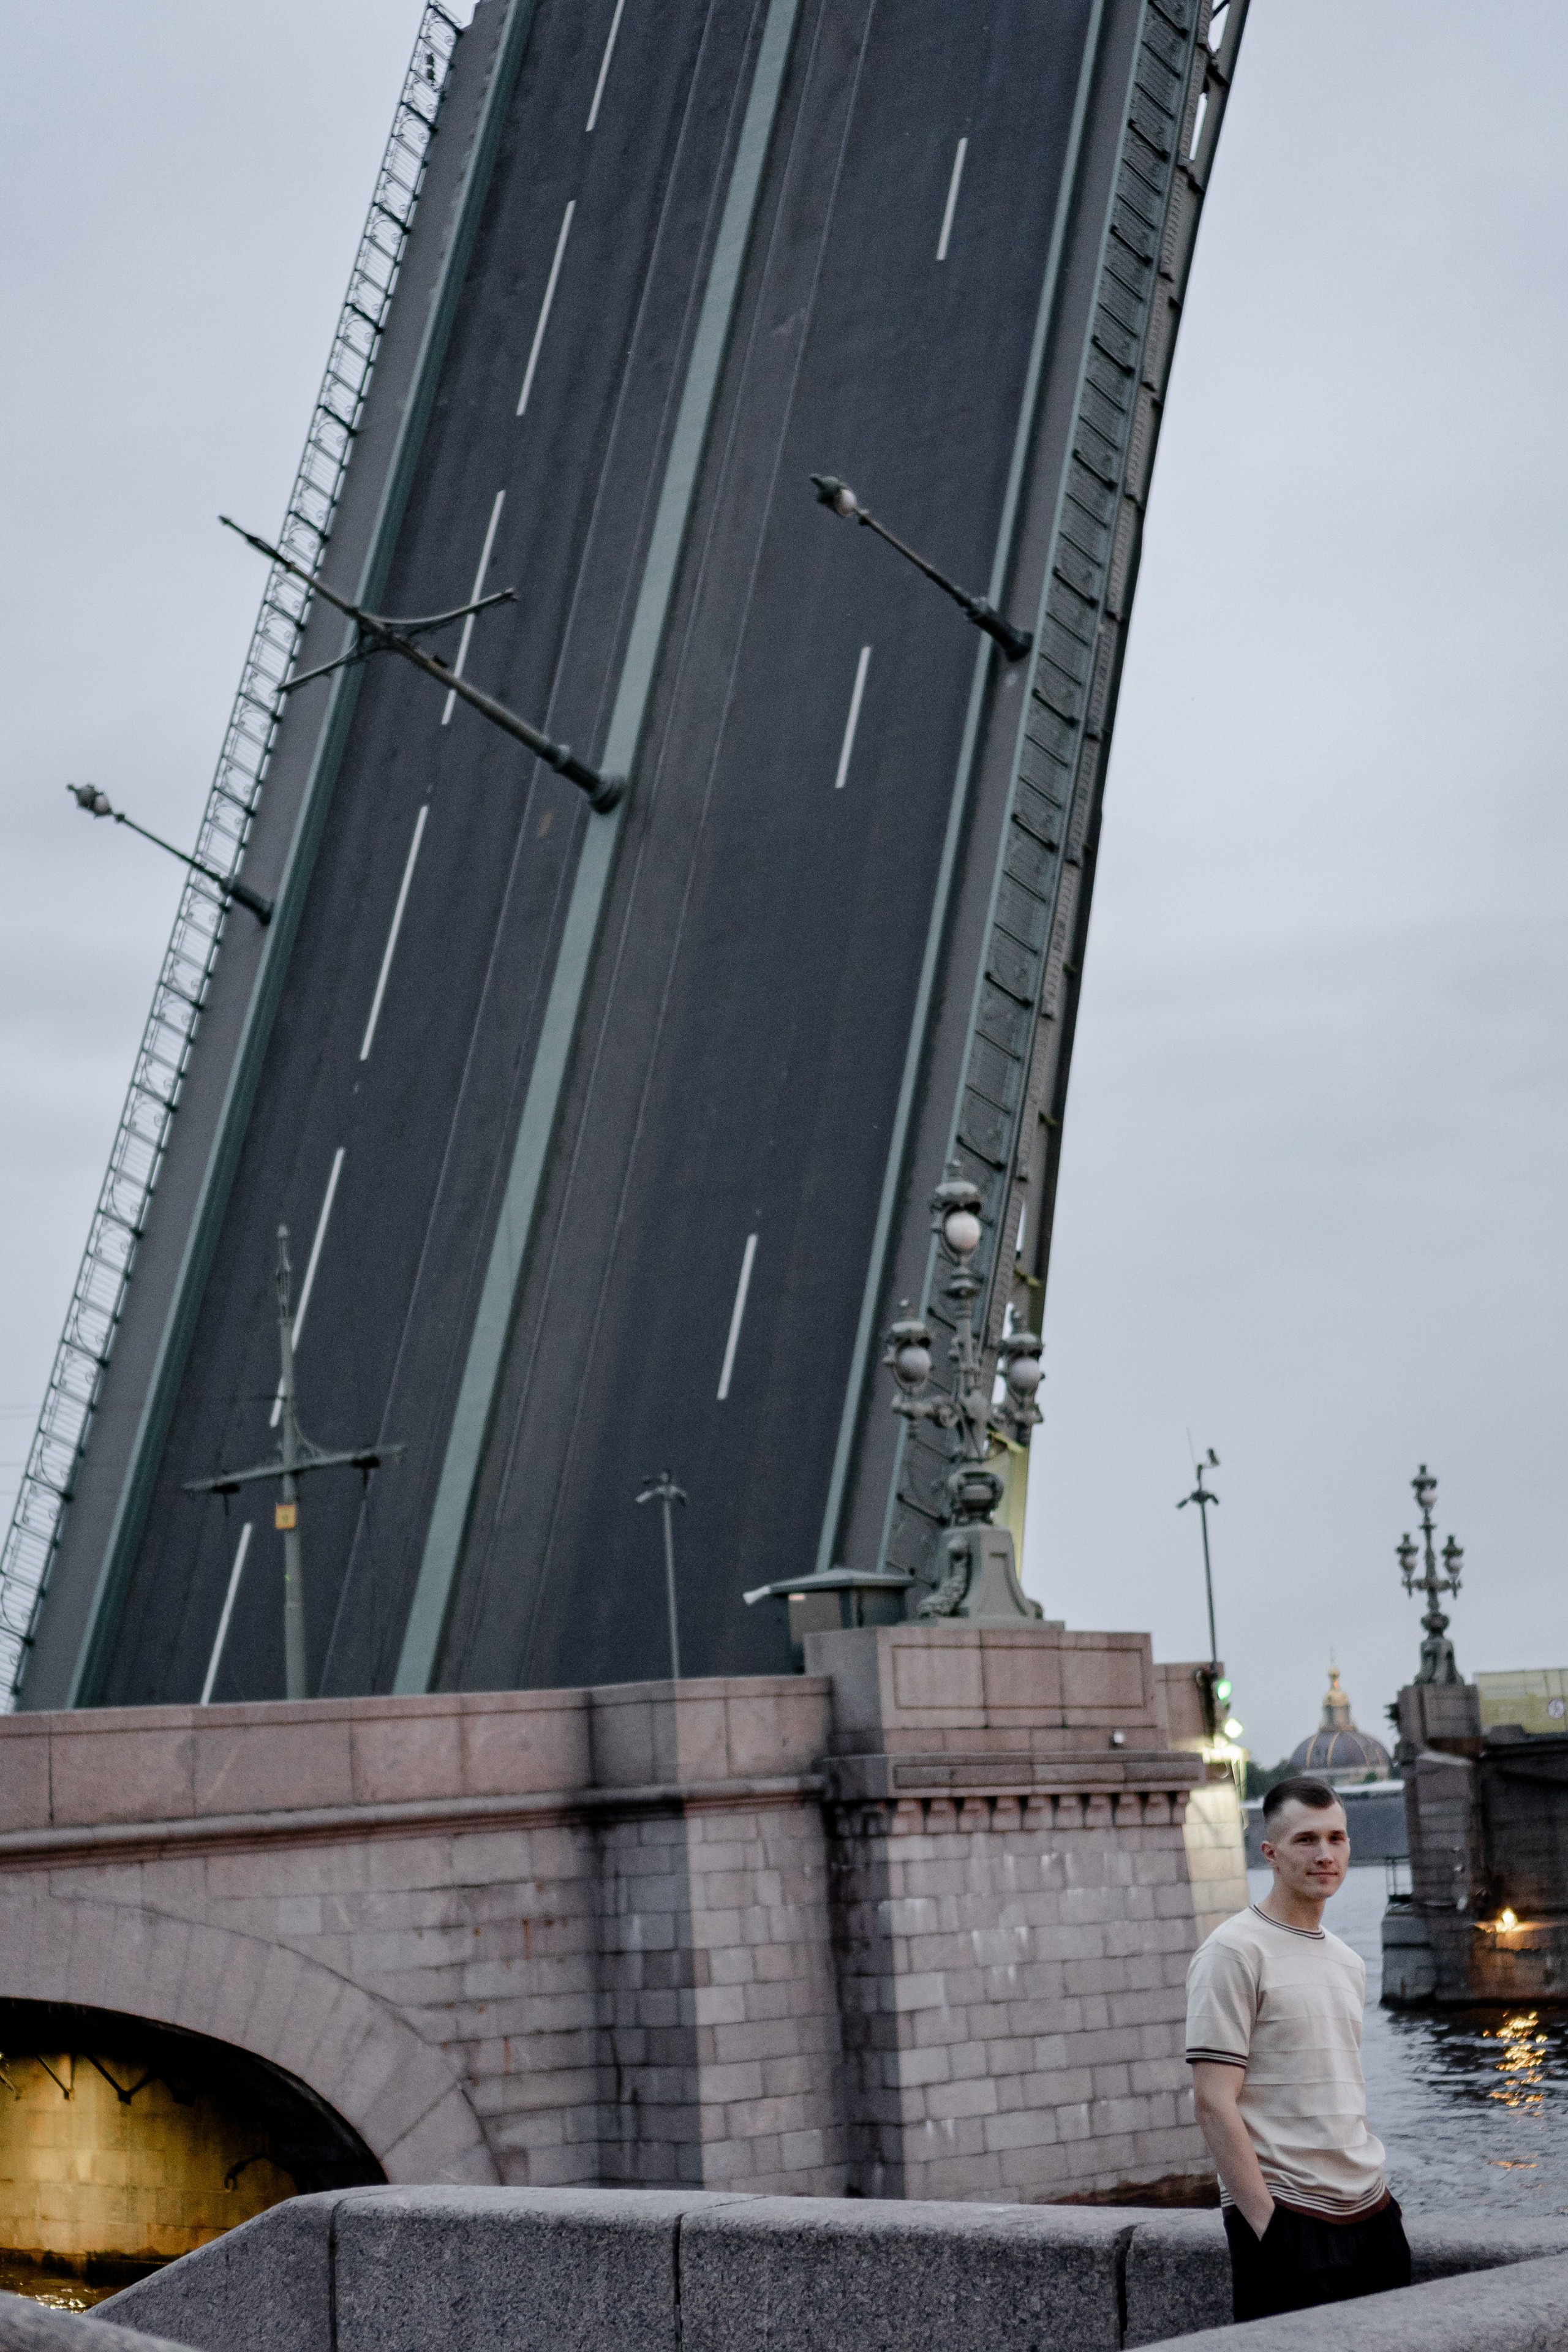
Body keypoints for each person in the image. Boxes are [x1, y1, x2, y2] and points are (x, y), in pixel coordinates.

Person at [1185, 1774, 1412, 2323]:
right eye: (1306, 1840)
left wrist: (1382, 2207)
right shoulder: (1234, 1952)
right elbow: (1214, 2101)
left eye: (1336, 1838)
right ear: (1270, 1854)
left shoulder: (1348, 1962)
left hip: (1372, 2213)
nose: (1325, 1854)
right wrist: (1268, 2225)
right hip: (1290, 2217)